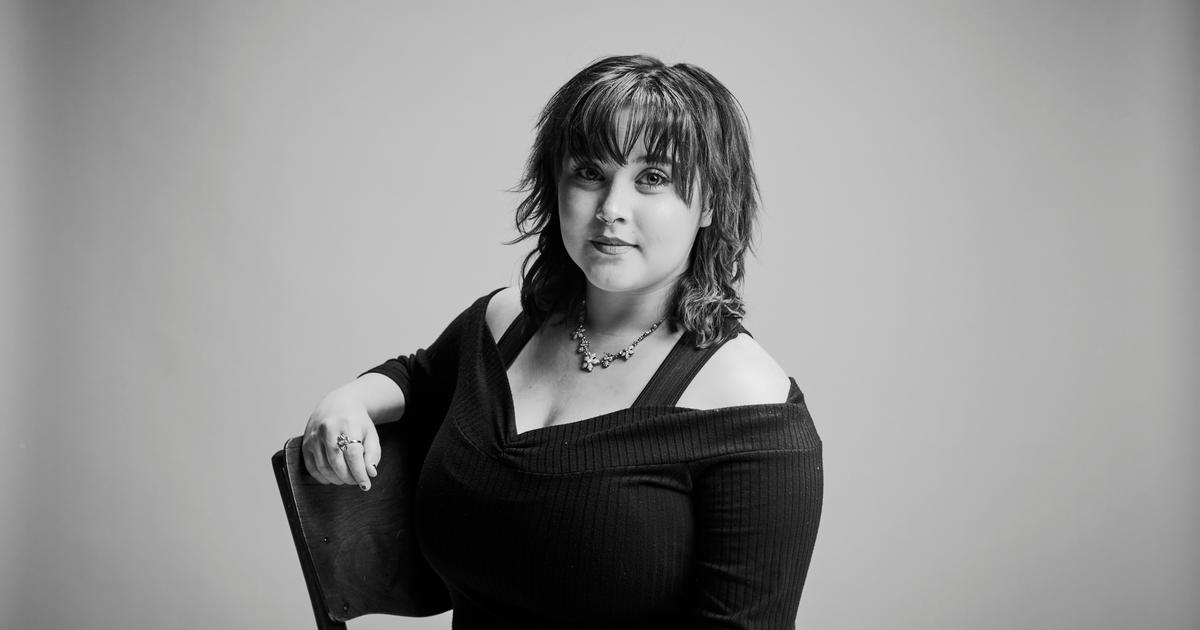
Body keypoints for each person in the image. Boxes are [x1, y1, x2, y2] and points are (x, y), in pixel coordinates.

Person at [301, 54, 823, 629]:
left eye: (653, 178)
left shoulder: (751, 404)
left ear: (712, 204)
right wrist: (348, 399)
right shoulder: (506, 322)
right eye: (589, 173)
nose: (611, 210)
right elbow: (418, 380)